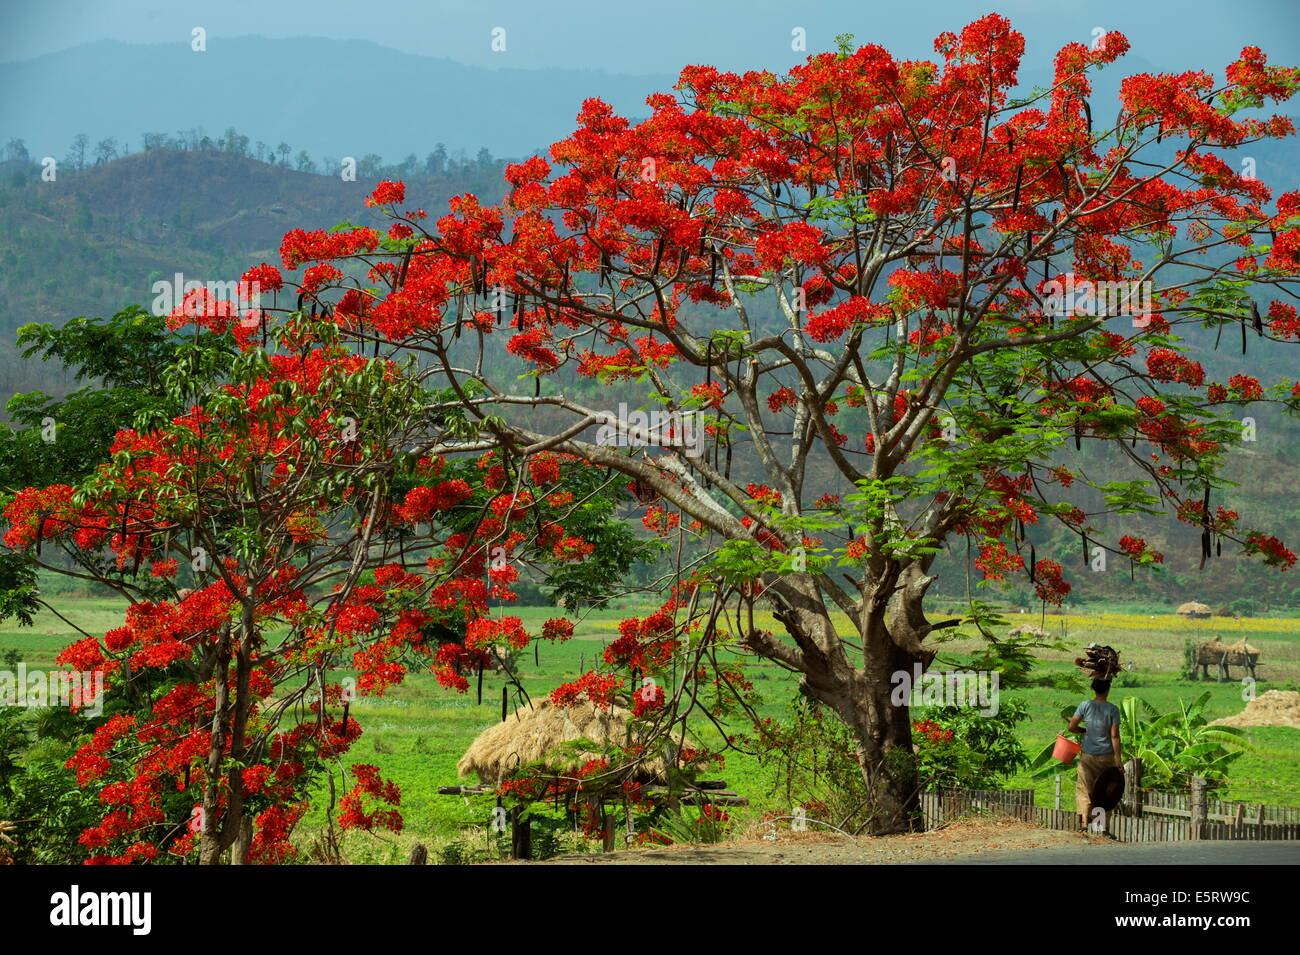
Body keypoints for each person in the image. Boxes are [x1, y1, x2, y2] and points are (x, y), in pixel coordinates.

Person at [1065, 678, 1123, 832]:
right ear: (1108, 690)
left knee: (1084, 789)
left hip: (1087, 757)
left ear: (1094, 689)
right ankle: (1102, 827)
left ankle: (1084, 824)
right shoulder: (1113, 710)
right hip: (1107, 757)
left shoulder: (1085, 706)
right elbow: (1115, 736)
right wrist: (1118, 761)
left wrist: (1084, 730)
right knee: (1105, 791)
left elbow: (1071, 727)